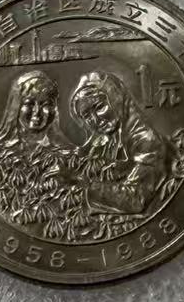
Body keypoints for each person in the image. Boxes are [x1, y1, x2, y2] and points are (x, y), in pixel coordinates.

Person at [63, 69, 170, 218]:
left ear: (116, 99)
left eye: (100, 107)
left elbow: (135, 198)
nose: (96, 120)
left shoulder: (146, 141)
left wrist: (84, 189)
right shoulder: (103, 141)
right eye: (86, 115)